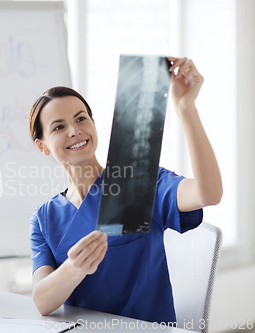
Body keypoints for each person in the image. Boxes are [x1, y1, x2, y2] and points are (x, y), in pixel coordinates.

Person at [28, 57, 222, 323]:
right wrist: (74, 268)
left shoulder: (138, 183)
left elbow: (208, 193)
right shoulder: (44, 218)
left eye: (81, 118)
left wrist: (186, 107)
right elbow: (42, 302)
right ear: (43, 146)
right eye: (59, 127)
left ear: (94, 125)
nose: (74, 131)